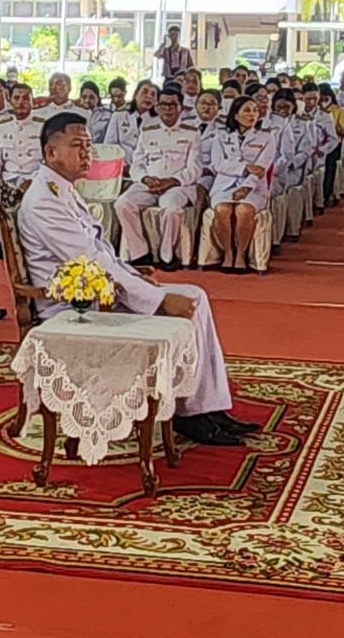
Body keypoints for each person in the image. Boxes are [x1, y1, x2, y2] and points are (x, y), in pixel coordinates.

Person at [12, 113, 248, 446]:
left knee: (195, 296)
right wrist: (158, 299)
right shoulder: (44, 200)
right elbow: (88, 261)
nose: (86, 154)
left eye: (89, 146)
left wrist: (132, 272)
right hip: (74, 304)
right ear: (51, 153)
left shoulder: (61, 189)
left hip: (97, 289)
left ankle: (206, 407)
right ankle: (193, 412)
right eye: (76, 146)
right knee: (187, 302)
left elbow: (99, 252)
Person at [118, 90, 206, 269]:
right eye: (163, 105)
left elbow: (195, 168)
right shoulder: (148, 131)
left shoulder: (192, 133)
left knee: (171, 209)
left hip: (178, 185)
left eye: (172, 105)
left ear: (180, 108)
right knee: (122, 203)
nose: (167, 109)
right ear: (157, 107)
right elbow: (137, 163)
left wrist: (172, 181)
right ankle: (139, 253)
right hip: (149, 184)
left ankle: (167, 255)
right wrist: (144, 178)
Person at [200, 93, 274, 273]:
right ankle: (227, 254)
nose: (252, 115)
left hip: (254, 188)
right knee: (223, 210)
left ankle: (241, 254)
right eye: (247, 110)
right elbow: (218, 163)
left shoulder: (266, 138)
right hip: (224, 185)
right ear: (235, 115)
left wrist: (245, 187)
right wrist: (246, 167)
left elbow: (261, 168)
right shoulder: (221, 136)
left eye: (255, 111)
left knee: (244, 210)